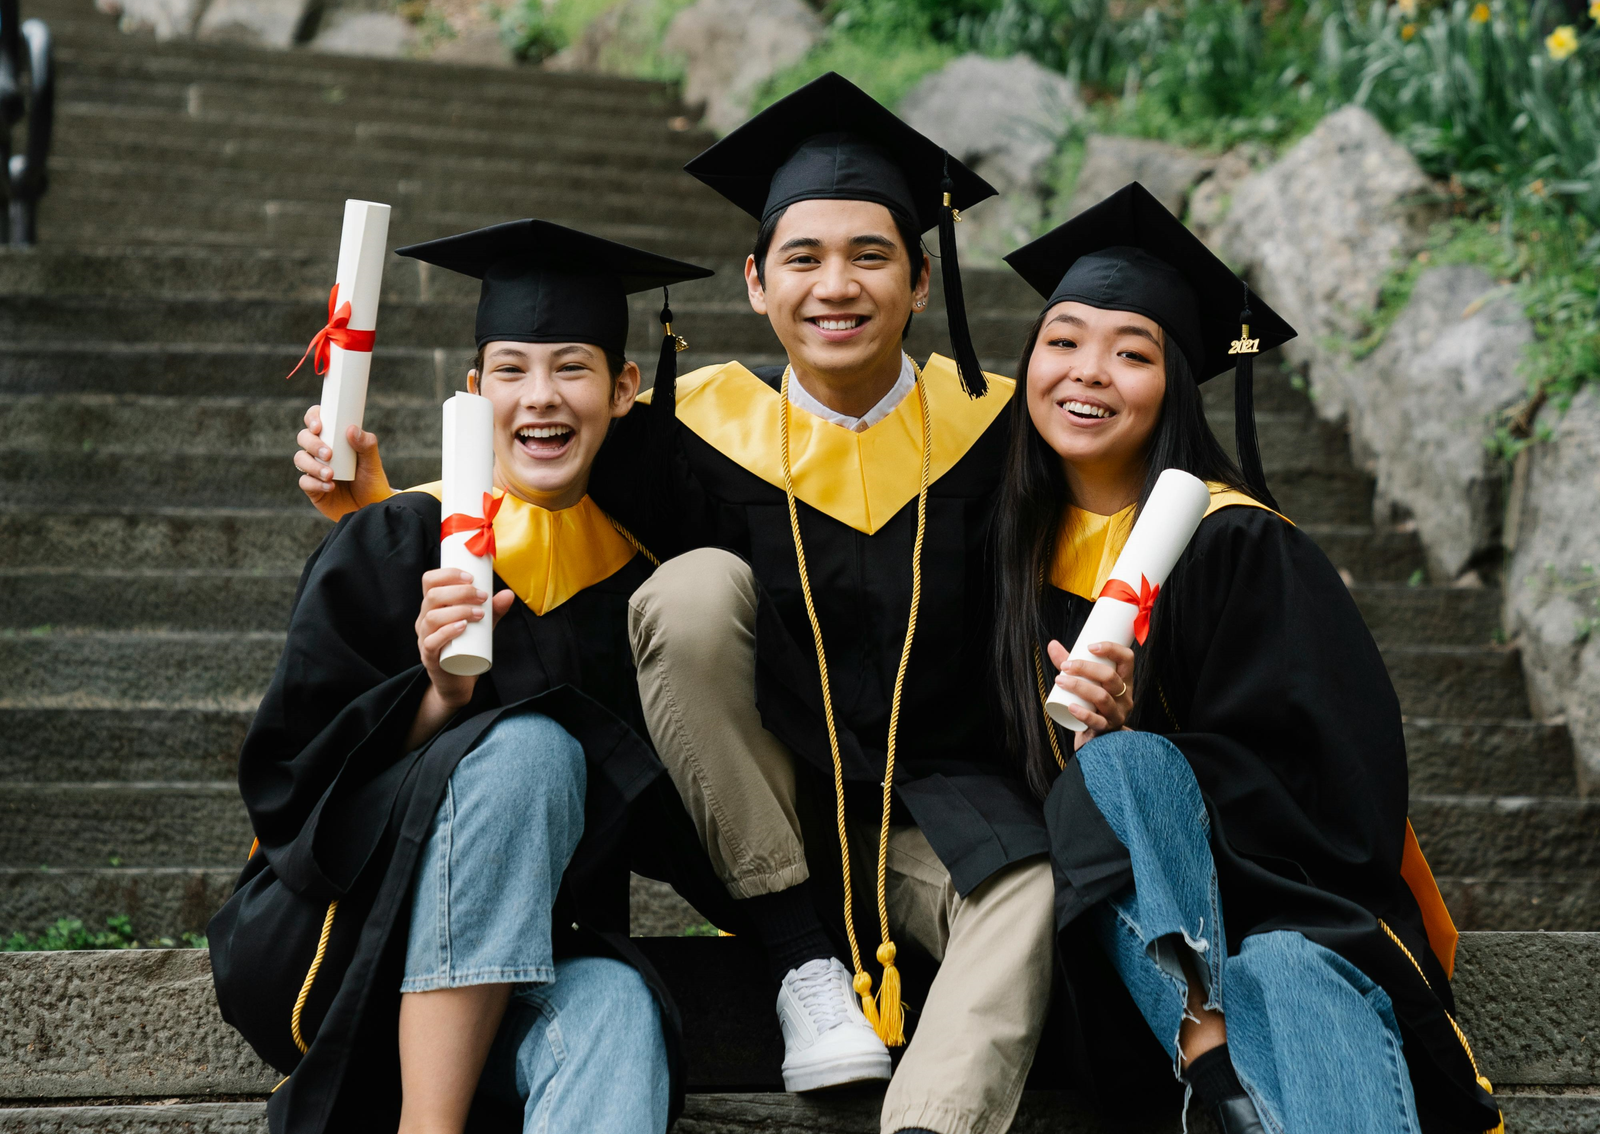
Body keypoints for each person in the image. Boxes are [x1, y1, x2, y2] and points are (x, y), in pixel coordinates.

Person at [294, 73, 1058, 1134]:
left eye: (869, 255)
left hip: (924, 806)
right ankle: (799, 965)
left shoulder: (1001, 429)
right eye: (802, 257)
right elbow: (526, 471)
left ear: (921, 283)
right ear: (753, 283)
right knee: (693, 590)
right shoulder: (689, 427)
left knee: (1027, 885)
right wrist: (375, 510)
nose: (834, 285)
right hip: (753, 801)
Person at [988, 182, 1505, 1134]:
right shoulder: (1005, 558)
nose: (1087, 371)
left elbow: (1338, 793)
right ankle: (1208, 1052)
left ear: (1177, 385)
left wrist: (1147, 735)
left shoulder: (1242, 545)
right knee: (1114, 779)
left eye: (1132, 352)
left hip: (1288, 908)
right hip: (1121, 945)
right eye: (1062, 340)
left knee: (1282, 959)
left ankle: (1218, 1072)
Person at [213, 221, 724, 1134]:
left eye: (572, 367)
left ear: (625, 389)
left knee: (618, 1006)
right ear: (470, 393)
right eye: (510, 371)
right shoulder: (398, 538)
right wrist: (435, 700)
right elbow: (289, 777)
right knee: (529, 749)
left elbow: (671, 811)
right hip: (347, 946)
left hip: (531, 969)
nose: (541, 396)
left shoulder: (649, 591)